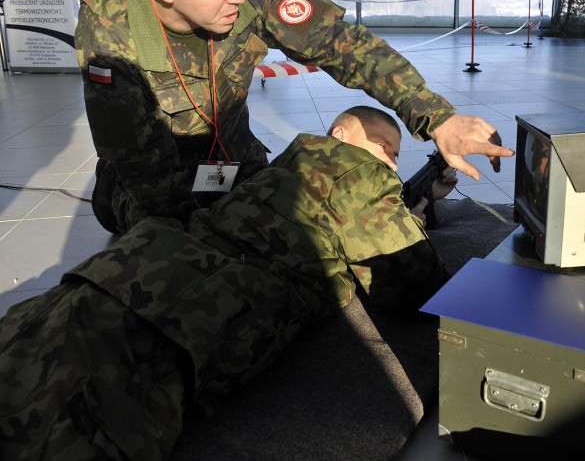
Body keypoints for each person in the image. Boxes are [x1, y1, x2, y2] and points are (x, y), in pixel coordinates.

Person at [0, 106, 458, 461]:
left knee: (24, 350)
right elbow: (416, 287)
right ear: (342, 136)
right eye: (386, 147)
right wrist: (410, 218)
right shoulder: (359, 172)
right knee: (78, 426)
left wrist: (415, 206)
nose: (392, 163)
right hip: (193, 307)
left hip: (137, 260)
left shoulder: (278, 167)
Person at [76, 0, 512, 235]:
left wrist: (437, 118)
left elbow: (344, 45)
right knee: (184, 260)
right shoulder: (110, 26)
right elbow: (141, 166)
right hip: (149, 180)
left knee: (298, 221)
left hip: (230, 158)